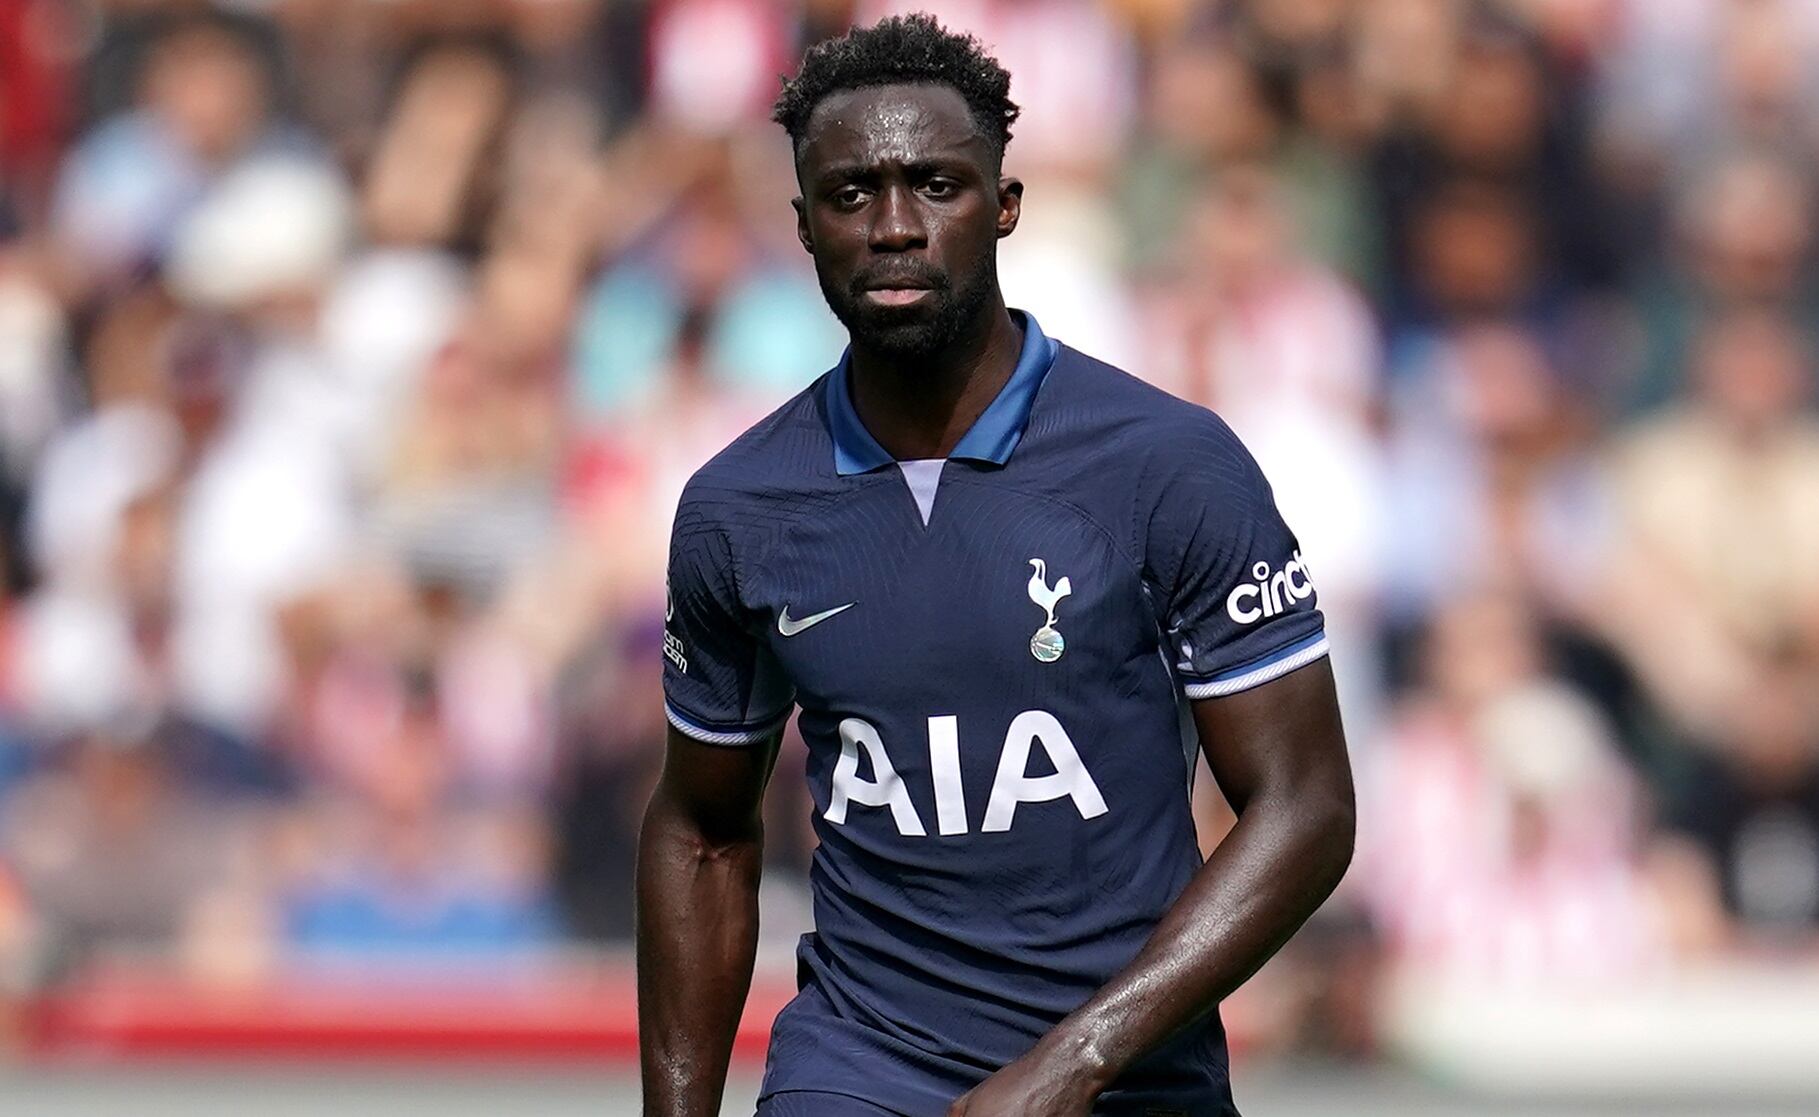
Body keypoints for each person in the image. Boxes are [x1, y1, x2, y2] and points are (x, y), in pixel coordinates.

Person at [636, 15, 1354, 1117]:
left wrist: (1079, 1059)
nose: (893, 227)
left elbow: (1305, 805)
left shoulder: (1166, 465)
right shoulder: (740, 507)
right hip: (857, 1067)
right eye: (850, 194)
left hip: (1129, 1079)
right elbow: (701, 831)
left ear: (1005, 205)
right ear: (803, 224)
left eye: (935, 186)